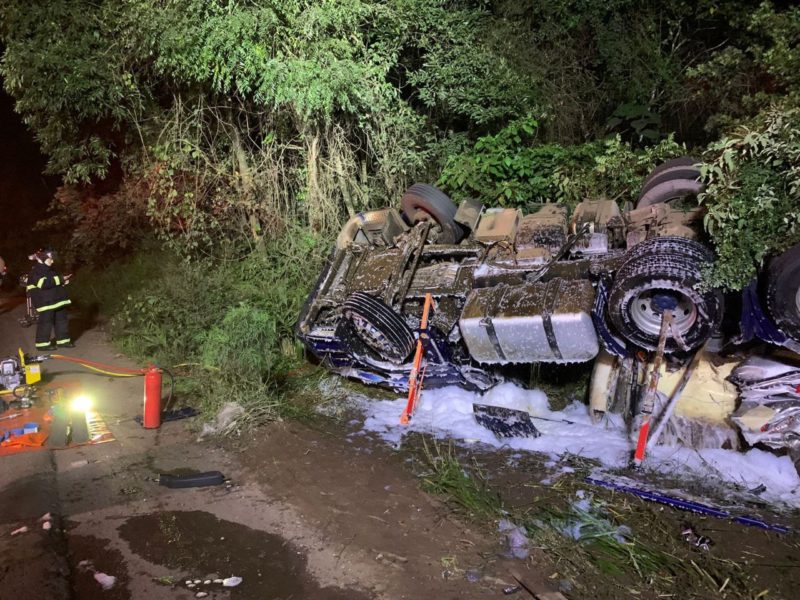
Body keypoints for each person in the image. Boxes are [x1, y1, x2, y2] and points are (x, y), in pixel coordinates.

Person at [26, 249, 74, 350]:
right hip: (45, 303)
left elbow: (53, 283)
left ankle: (63, 342)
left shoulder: (50, 270)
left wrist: (63, 282)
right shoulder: (35, 272)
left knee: (62, 321)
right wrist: (61, 279)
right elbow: (43, 284)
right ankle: (42, 345)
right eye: (50, 259)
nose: (52, 261)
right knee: (45, 323)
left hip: (57, 300)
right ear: (42, 259)